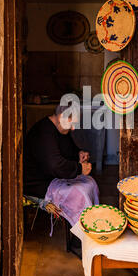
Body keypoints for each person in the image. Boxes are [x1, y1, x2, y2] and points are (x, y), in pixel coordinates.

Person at [23, 102, 99, 257]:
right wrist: (79, 169)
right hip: (39, 183)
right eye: (71, 124)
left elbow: (68, 151)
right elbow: (55, 165)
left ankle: (89, 228)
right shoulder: (43, 133)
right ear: (61, 117)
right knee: (78, 192)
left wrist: (79, 154)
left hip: (53, 177)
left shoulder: (61, 129)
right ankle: (81, 236)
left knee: (90, 182)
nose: (73, 129)